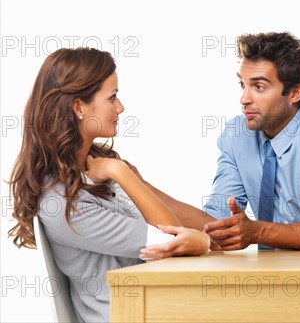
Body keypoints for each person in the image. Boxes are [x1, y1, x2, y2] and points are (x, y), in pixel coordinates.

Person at [7, 47, 210, 323]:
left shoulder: (99, 166)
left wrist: (219, 228)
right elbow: (175, 239)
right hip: (131, 315)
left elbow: (174, 214)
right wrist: (121, 172)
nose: (121, 107)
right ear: (79, 108)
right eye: (112, 97)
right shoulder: (62, 203)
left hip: (159, 306)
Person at [140, 31, 300, 258]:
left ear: (295, 92)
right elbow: (215, 223)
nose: (244, 99)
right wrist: (139, 185)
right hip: (272, 275)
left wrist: (257, 232)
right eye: (243, 85)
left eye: (259, 87)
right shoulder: (237, 135)